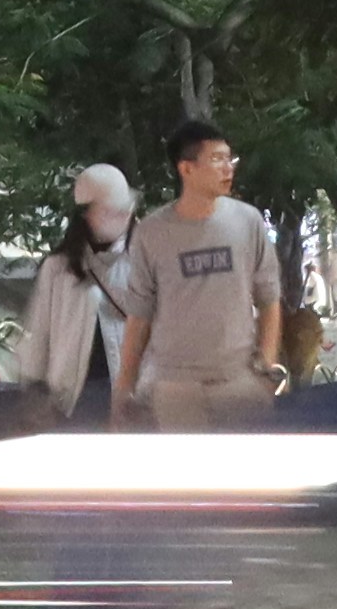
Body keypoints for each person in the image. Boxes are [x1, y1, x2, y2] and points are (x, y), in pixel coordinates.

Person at [124, 122, 293, 425]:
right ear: (186, 169)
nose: (227, 168)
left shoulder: (247, 221)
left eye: (230, 159)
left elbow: (269, 296)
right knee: (185, 471)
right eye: (216, 159)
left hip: (239, 379)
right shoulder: (152, 231)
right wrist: (123, 389)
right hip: (175, 384)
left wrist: (268, 366)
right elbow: (139, 315)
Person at [17, 164, 138, 419]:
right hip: (72, 402)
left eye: (124, 212)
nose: (120, 219)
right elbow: (40, 331)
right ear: (86, 213)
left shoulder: (144, 261)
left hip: (134, 400)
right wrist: (36, 386)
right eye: (108, 211)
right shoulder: (59, 268)